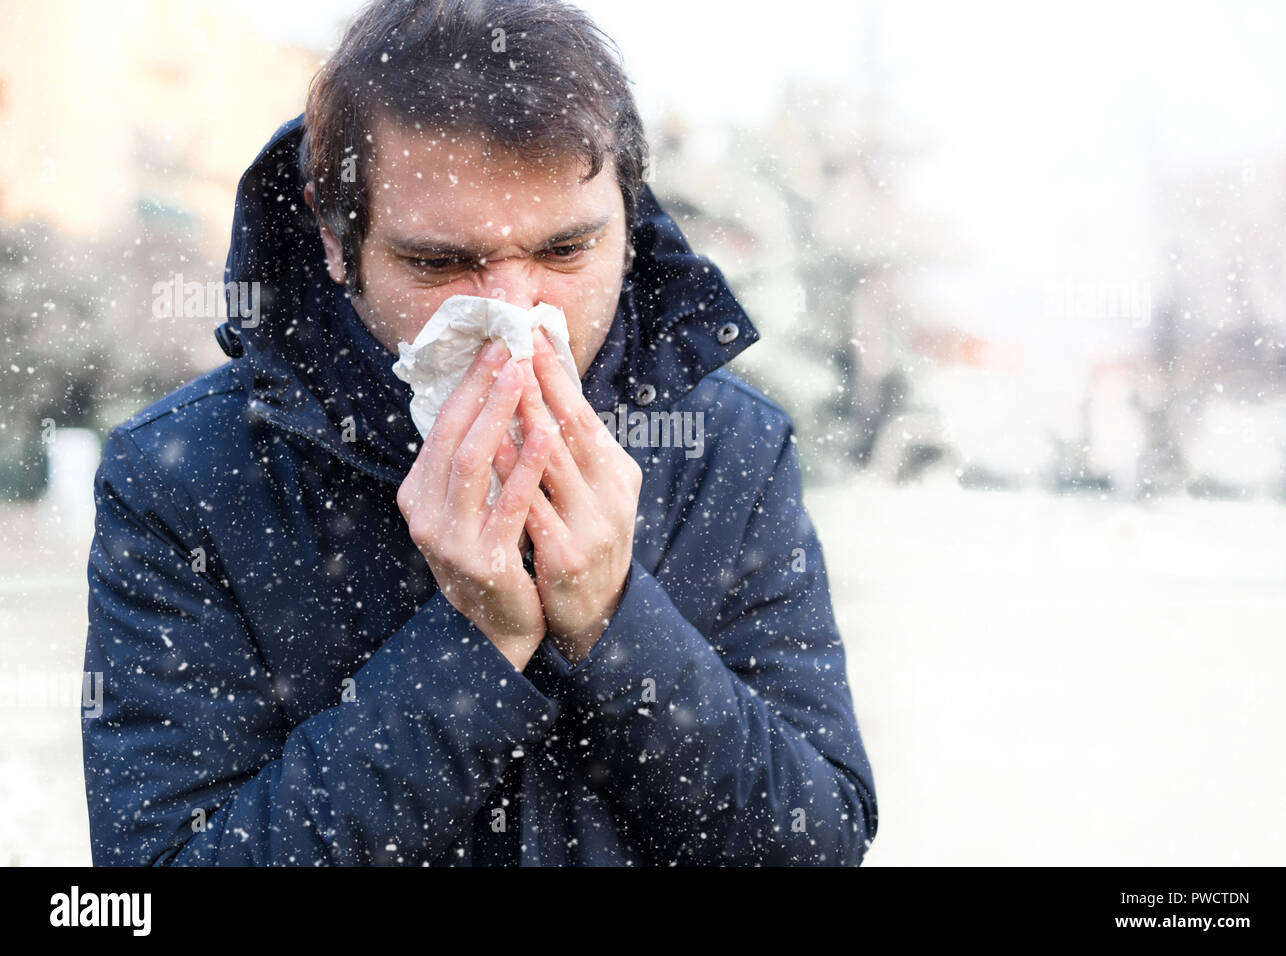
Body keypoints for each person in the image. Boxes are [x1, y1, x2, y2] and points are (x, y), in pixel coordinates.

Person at [82, 0, 879, 866]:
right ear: (335, 237)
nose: (512, 313)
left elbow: (817, 840)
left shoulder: (729, 448)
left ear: (628, 212)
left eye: (566, 251)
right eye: (439, 263)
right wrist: (475, 647)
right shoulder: (185, 473)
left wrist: (614, 622)